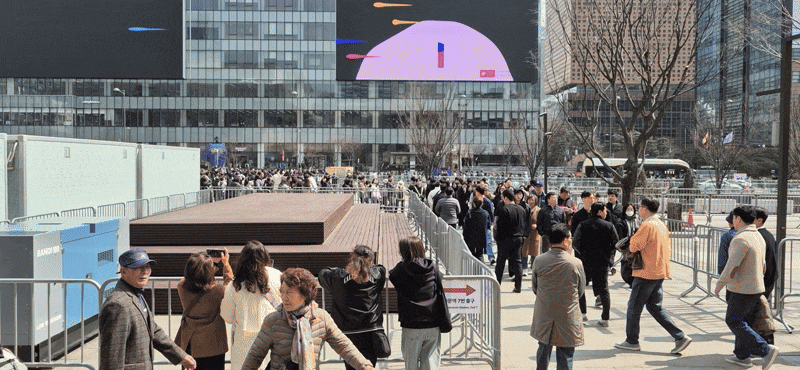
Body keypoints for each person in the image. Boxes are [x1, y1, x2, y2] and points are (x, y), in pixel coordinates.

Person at [242, 268, 374, 370]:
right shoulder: (273, 320)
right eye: (282, 292)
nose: (283, 297)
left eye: (289, 293)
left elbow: (343, 345)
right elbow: (255, 355)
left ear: (305, 295)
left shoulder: (321, 318)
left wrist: (364, 365)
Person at [614, 197, 691, 353]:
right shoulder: (661, 224)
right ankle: (679, 336)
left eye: (640, 207)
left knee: (634, 307)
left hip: (646, 272)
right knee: (655, 307)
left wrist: (631, 240)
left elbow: (634, 245)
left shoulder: (647, 225)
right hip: (659, 270)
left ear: (646, 209)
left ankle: (632, 340)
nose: (638, 209)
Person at [99, 248, 197, 370]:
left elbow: (153, 331)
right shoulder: (117, 305)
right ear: (123, 272)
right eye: (137, 267)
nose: (144, 271)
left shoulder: (136, 294)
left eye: (147, 267)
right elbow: (111, 359)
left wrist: (180, 355)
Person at [714, 206, 780, 369]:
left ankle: (765, 349)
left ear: (738, 219)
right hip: (756, 287)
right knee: (744, 321)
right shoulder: (758, 235)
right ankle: (742, 356)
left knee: (734, 321)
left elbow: (731, 266)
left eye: (734, 218)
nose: (732, 221)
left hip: (742, 289)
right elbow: (763, 265)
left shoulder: (740, 239)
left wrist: (719, 285)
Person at [318, 246, 387, 370]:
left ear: (351, 259)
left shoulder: (338, 277)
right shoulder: (377, 276)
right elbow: (381, 268)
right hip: (371, 330)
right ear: (371, 261)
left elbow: (323, 273)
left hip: (348, 331)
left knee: (350, 365)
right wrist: (366, 268)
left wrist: (347, 270)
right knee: (369, 365)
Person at [389, 237, 450, 370]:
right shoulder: (432, 267)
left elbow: (392, 276)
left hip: (411, 324)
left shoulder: (400, 270)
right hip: (433, 322)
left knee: (410, 364)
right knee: (431, 364)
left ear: (403, 252)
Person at [530, 223, 585, 370]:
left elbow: (535, 287)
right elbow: (580, 290)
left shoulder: (539, 260)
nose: (571, 241)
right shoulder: (575, 263)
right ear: (565, 240)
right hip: (568, 314)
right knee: (566, 354)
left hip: (545, 313)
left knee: (543, 350)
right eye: (570, 238)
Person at [221, 241, 283, 370]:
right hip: (273, 340)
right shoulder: (277, 275)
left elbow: (227, 316)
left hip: (243, 344)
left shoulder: (235, 285)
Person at [174, 249, 234, 370]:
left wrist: (207, 265)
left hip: (191, 345)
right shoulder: (217, 290)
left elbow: (190, 278)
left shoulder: (181, 287)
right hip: (214, 346)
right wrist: (225, 264)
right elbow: (230, 282)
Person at [573, 203, 619, 327]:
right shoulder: (609, 226)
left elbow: (575, 243)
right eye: (604, 210)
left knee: (581, 288)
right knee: (604, 289)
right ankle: (605, 318)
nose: (606, 213)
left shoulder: (583, 225)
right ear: (599, 212)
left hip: (585, 261)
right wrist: (610, 258)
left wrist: (582, 254)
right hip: (602, 261)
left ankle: (583, 315)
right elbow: (616, 243)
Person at [494, 189, 528, 293]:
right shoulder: (522, 209)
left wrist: (498, 238)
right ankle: (518, 286)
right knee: (518, 262)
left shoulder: (505, 210)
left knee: (501, 262)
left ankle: (497, 285)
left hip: (505, 239)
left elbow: (500, 227)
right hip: (519, 238)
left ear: (506, 198)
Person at [753, 207, 778, 301]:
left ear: (759, 220)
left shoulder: (759, 236)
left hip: (763, 281)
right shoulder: (767, 235)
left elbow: (769, 260)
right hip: (766, 280)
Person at [474, 185, 496, 264]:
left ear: (478, 192)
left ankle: (491, 257)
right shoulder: (478, 200)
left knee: (488, 241)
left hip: (486, 225)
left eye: (476, 191)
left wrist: (490, 222)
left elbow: (491, 214)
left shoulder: (487, 202)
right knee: (487, 241)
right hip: (481, 224)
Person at [521, 194, 541, 274]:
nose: (531, 202)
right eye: (529, 200)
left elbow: (542, 222)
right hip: (526, 233)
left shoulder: (539, 210)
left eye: (532, 200)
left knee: (534, 252)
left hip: (535, 233)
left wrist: (537, 225)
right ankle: (524, 268)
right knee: (524, 251)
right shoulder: (524, 209)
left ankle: (534, 268)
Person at [717, 211, 738, 275]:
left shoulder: (727, 236)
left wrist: (721, 272)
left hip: (731, 273)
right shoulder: (756, 234)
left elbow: (723, 256)